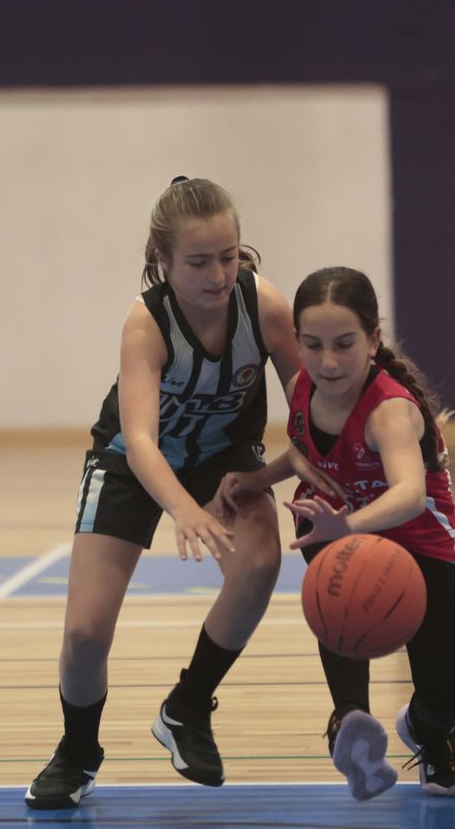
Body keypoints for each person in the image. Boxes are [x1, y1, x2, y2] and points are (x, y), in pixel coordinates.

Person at [23, 177, 303, 809]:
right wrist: (181, 508)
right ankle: (77, 751)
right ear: (163, 263)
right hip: (131, 461)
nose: (218, 275)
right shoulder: (147, 324)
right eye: (199, 262)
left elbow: (312, 413)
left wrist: (279, 478)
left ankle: (187, 706)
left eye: (229, 256)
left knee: (260, 563)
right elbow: (142, 439)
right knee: (86, 635)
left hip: (224, 458)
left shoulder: (265, 307)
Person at [215, 266, 455, 801]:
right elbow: (308, 452)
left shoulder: (391, 410)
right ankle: (350, 722)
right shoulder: (305, 388)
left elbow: (407, 492)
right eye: (312, 344)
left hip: (417, 535)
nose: (327, 361)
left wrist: (348, 524)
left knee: (450, 697)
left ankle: (430, 728)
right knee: (342, 583)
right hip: (339, 524)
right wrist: (257, 479)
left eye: (344, 344)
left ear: (374, 339)